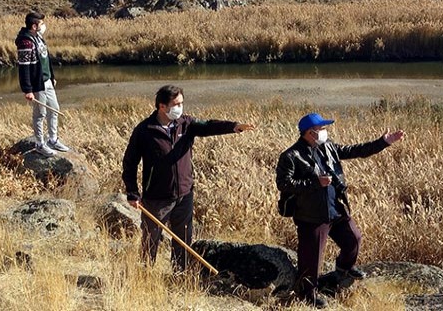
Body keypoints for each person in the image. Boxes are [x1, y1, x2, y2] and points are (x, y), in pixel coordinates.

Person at [276, 113, 404, 309]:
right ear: (309, 133)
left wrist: (383, 142)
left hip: (336, 209)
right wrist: (314, 183)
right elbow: (284, 184)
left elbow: (355, 150)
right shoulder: (291, 156)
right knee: (312, 260)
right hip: (312, 216)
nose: (324, 132)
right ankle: (307, 295)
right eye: (320, 129)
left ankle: (344, 268)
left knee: (353, 239)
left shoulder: (328, 147)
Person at [122, 85, 255, 271]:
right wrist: (132, 192)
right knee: (150, 238)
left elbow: (208, 126)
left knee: (183, 238)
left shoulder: (186, 124)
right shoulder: (144, 130)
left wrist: (234, 127)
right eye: (176, 104)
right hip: (156, 198)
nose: (180, 108)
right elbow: (130, 162)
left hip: (184, 194)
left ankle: (180, 274)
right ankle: (145, 275)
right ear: (162, 106)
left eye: (182, 103)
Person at [15, 11, 69, 157]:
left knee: (54, 109)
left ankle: (53, 139)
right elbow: (24, 67)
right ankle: (40, 144)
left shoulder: (38, 37)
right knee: (40, 114)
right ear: (34, 26)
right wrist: (27, 89)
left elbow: (45, 59)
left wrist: (51, 76)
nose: (44, 26)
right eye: (41, 24)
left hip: (47, 81)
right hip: (37, 84)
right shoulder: (25, 42)